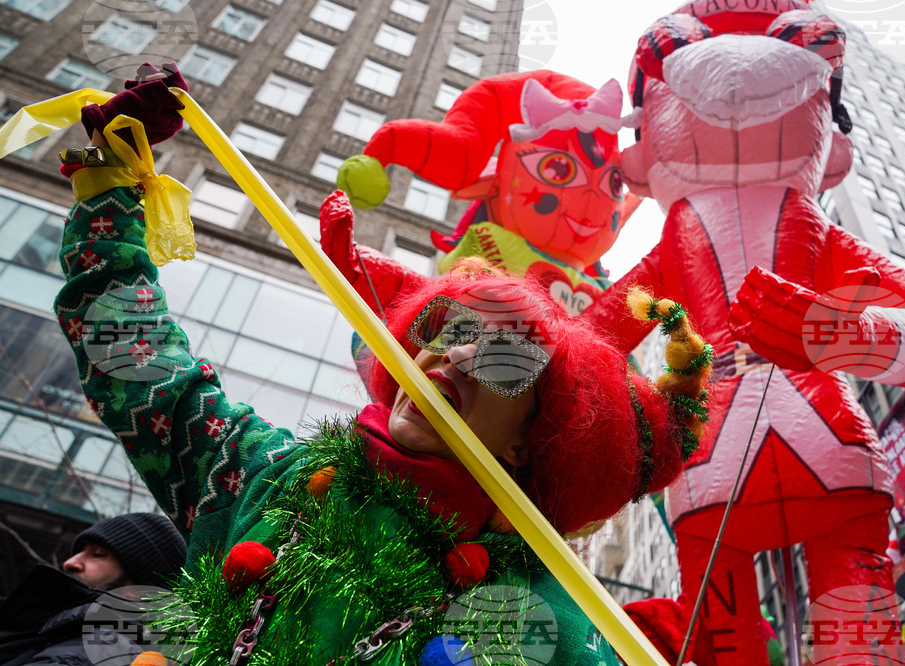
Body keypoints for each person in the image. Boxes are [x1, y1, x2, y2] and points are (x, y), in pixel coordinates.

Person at [46, 64, 713, 665]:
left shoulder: (538, 621)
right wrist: (107, 180)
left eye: (505, 354)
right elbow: (136, 362)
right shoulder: (264, 478)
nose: (454, 354)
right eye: (446, 327)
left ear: (530, 439)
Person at [0, 513, 186, 665]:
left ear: (137, 590)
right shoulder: (63, 633)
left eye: (97, 555)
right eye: (80, 552)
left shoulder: (102, 647)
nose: (70, 563)